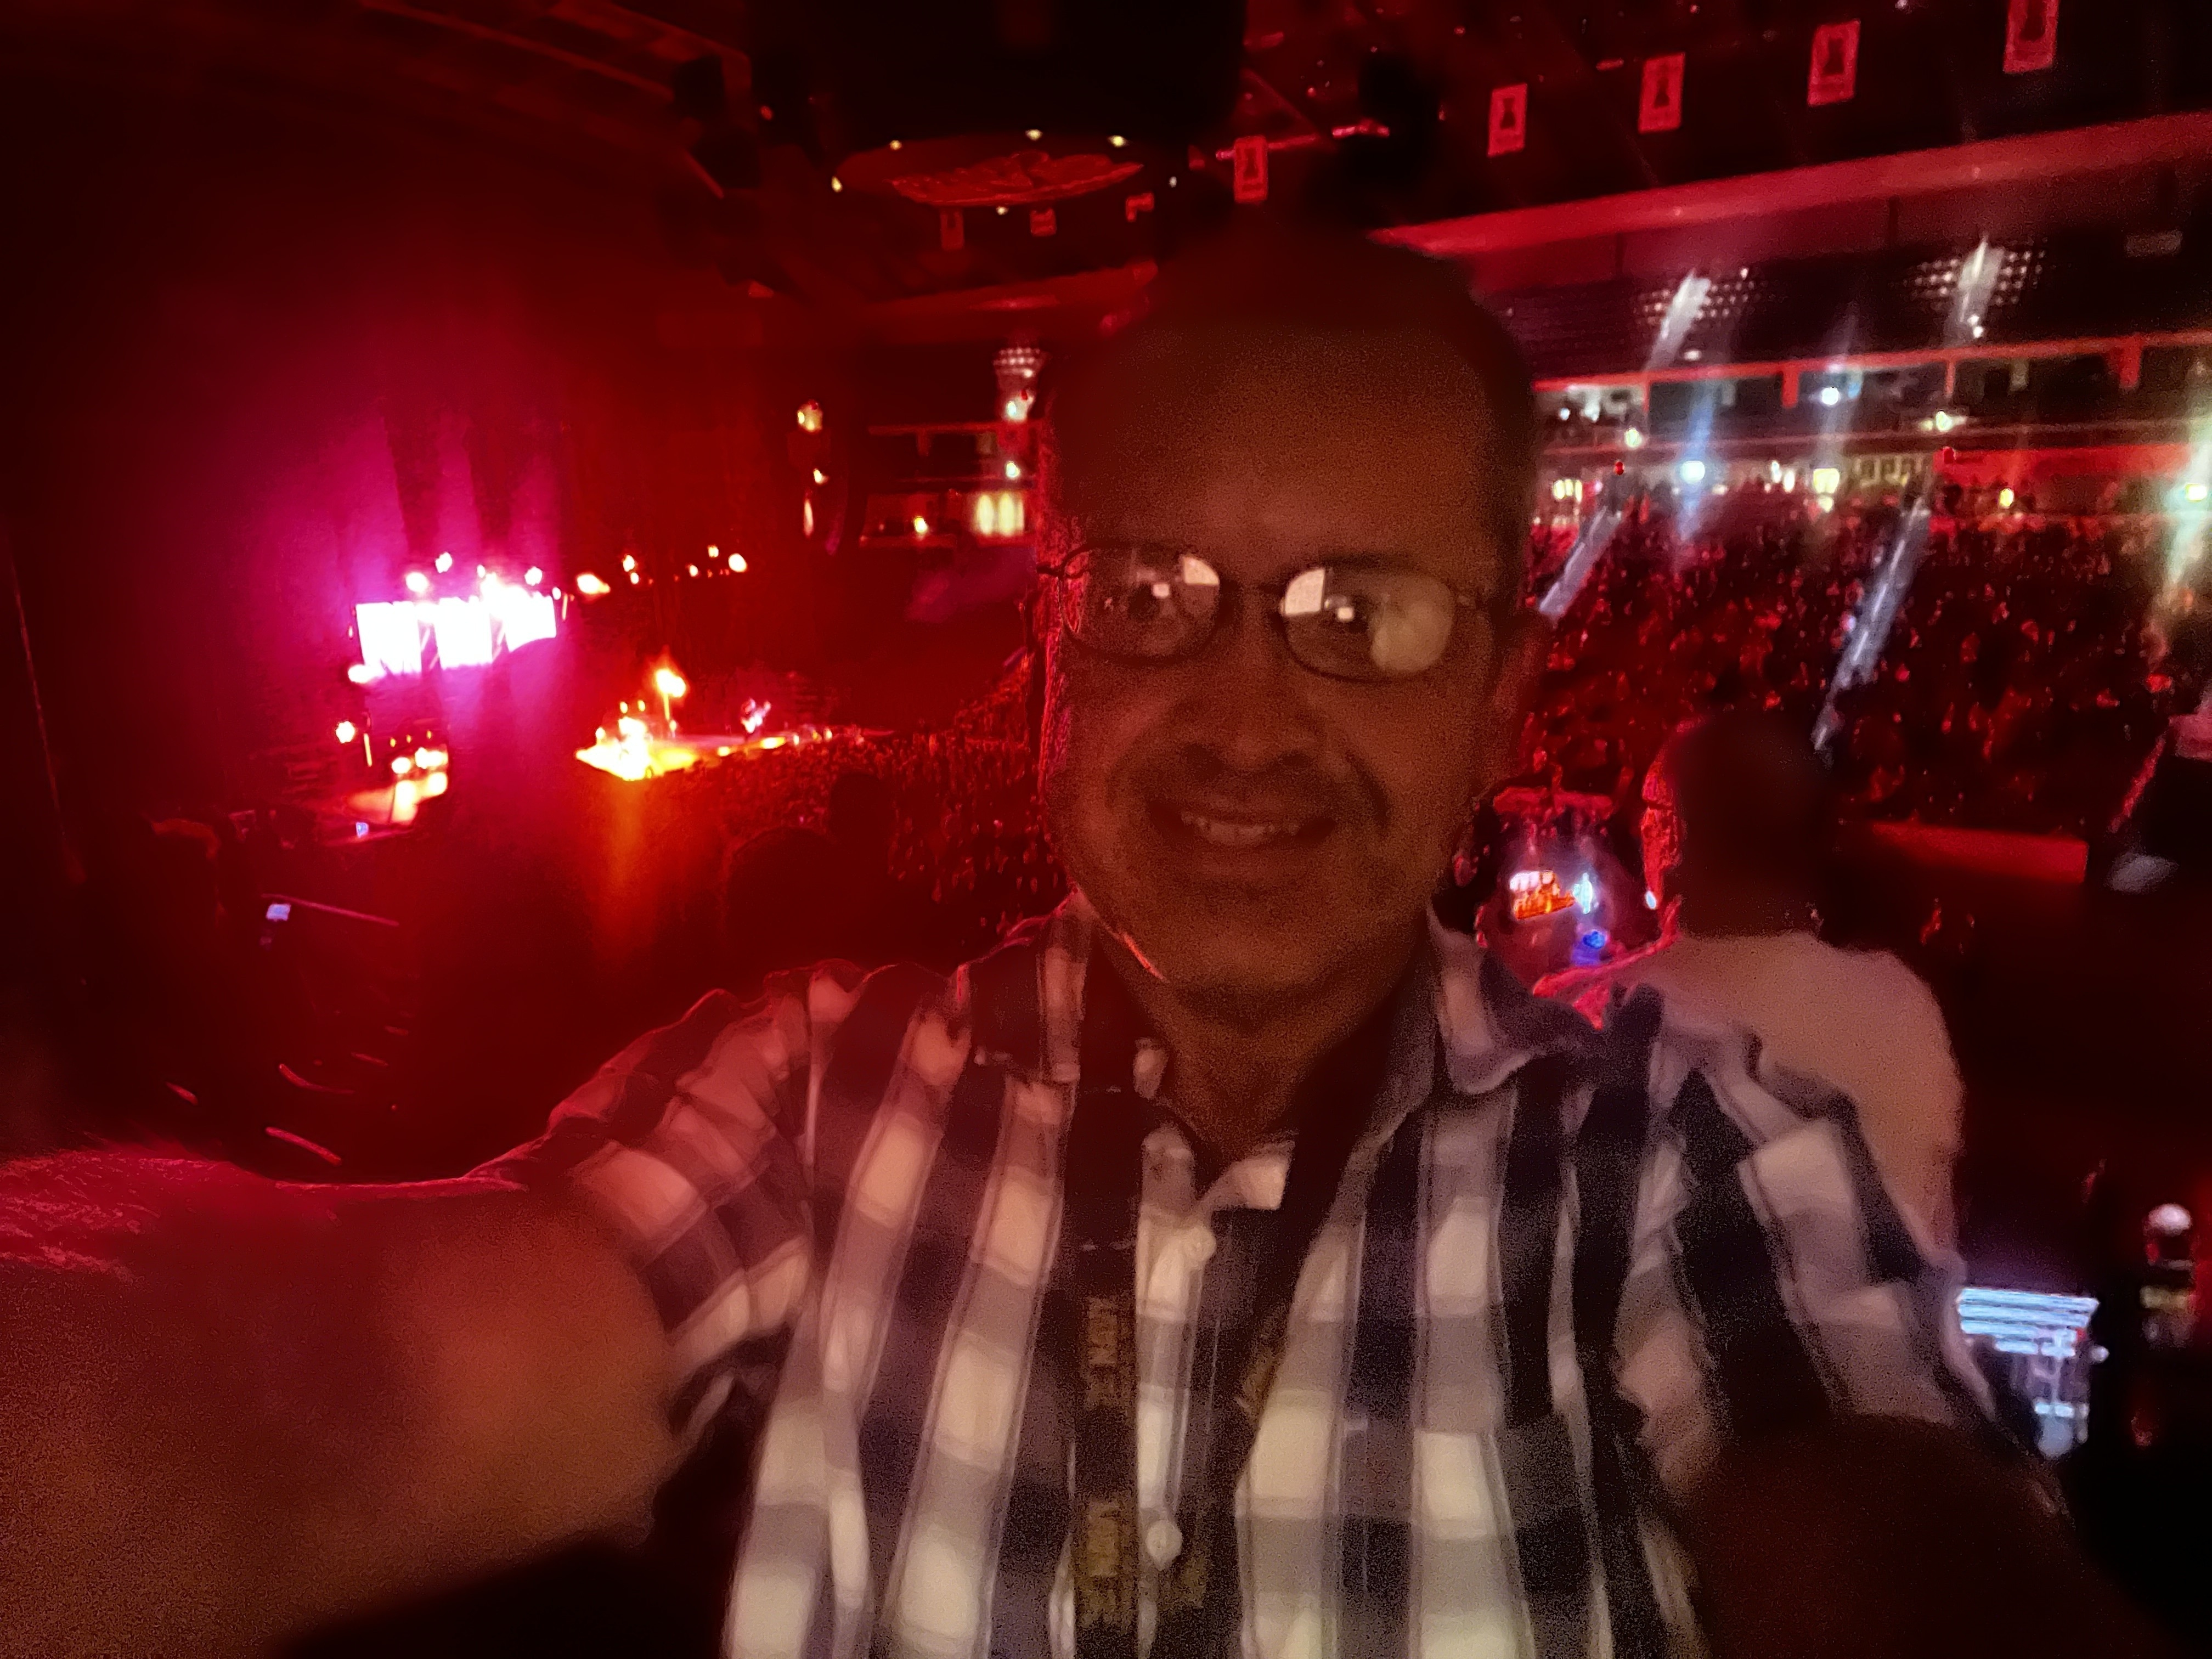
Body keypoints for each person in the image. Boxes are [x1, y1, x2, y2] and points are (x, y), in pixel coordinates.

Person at [0, 227, 2163, 1659]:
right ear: (1052, 658)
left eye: (1362, 612)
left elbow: (1889, 1535)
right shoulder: (811, 1095)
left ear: (1509, 697)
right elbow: (350, 1380)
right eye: (1150, 595)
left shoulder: (1697, 1158)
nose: (1245, 711)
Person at [1538, 709, 1966, 1247]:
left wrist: (1517, 990)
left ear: (1674, 833)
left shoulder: (1583, 1014)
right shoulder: (1904, 1008)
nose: (1639, 828)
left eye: (1650, 810)